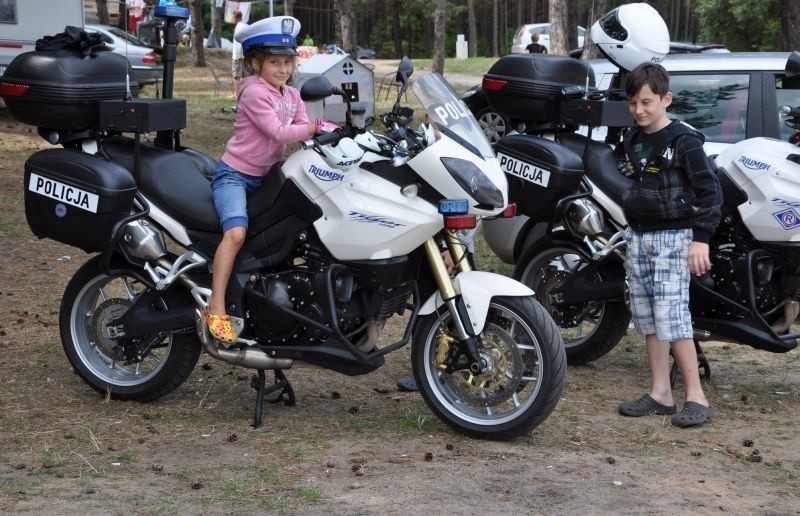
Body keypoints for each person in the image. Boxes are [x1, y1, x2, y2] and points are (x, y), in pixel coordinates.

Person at [204, 16, 324, 343]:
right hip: (236, 177)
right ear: (255, 63)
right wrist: (315, 127)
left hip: (268, 175)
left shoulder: (291, 95)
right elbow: (279, 131)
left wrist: (328, 141)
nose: (283, 69)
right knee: (236, 234)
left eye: (287, 62)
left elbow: (303, 134)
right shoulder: (254, 92)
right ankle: (216, 307)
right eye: (275, 62)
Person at [617, 62, 722, 427]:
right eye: (632, 103)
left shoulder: (684, 141)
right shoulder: (631, 139)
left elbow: (711, 192)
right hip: (638, 238)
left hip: (673, 239)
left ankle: (697, 396)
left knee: (673, 318)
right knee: (647, 318)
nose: (639, 110)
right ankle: (661, 393)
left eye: (646, 102)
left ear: (666, 99)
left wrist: (701, 240)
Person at [231, 11, 247, 98]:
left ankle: (238, 95)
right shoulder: (245, 26)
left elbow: (238, 44)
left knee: (236, 76)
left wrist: (236, 57)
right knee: (245, 76)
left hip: (237, 55)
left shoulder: (238, 27)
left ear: (236, 18)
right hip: (245, 54)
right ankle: (245, 94)